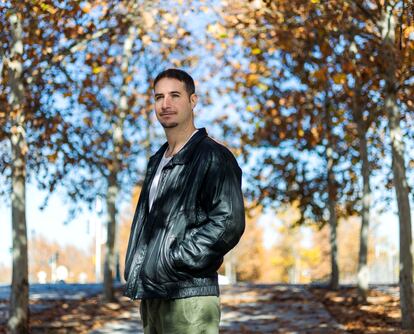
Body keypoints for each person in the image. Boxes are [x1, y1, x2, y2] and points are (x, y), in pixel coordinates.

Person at [123, 68, 245, 334]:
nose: (166, 104)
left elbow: (229, 222)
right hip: (153, 295)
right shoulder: (157, 162)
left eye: (175, 95)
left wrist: (175, 258)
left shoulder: (213, 156)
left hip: (189, 298)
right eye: (159, 97)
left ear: (193, 101)